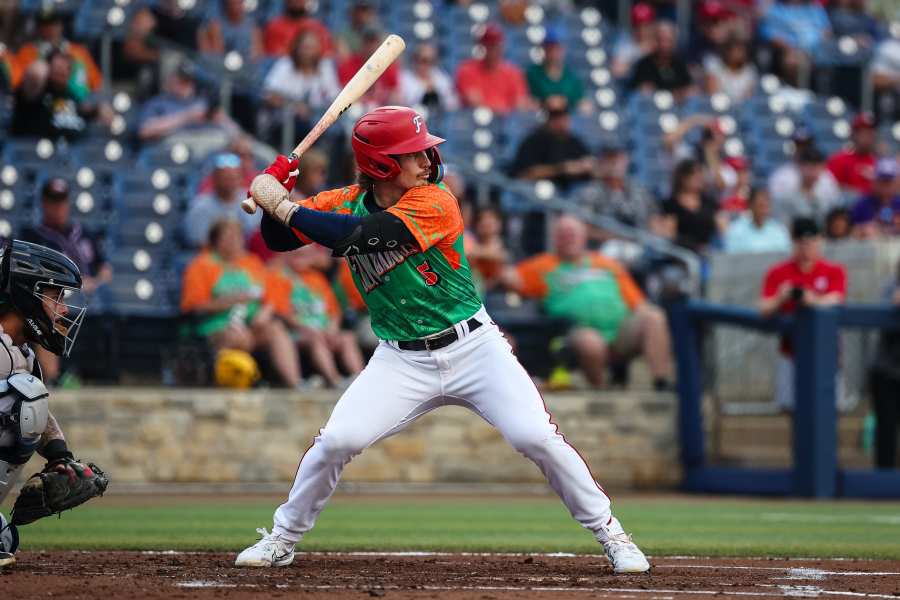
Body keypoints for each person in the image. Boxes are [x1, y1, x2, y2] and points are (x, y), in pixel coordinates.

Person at [235, 105, 650, 573]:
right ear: (381, 165)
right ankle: (282, 538)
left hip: (474, 347)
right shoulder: (343, 199)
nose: (426, 159)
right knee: (336, 441)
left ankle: (613, 535)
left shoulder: (436, 200)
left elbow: (359, 236)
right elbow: (280, 240)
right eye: (412, 153)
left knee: (536, 436)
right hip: (400, 359)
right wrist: (277, 186)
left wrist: (281, 203)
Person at [0, 239, 106, 567]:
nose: (62, 309)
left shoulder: (21, 353)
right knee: (22, 398)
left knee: (6, 537)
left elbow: (40, 412)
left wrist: (61, 456)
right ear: (25, 293)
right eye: (55, 296)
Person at [503, 216, 673, 390]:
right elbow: (507, 277)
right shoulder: (542, 265)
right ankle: (601, 388)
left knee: (654, 317)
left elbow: (638, 303)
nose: (569, 238)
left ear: (584, 237)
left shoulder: (607, 263)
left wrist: (647, 314)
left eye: (573, 233)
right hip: (577, 330)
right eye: (563, 234)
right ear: (555, 238)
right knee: (590, 342)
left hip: (620, 328)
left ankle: (661, 382)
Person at [180, 219, 301, 388]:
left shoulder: (251, 263)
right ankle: (244, 381)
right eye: (228, 237)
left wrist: (264, 313)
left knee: (276, 329)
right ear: (216, 241)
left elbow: (272, 294)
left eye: (237, 236)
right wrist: (232, 300)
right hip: (216, 327)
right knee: (237, 336)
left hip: (252, 326)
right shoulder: (201, 265)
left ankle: (295, 384)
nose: (234, 241)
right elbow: (194, 305)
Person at [19, 178, 113, 383]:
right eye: (53, 201)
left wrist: (94, 283)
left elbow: (105, 269)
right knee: (44, 315)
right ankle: (56, 377)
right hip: (56, 299)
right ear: (44, 203)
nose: (58, 207)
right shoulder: (33, 236)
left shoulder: (85, 233)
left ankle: (103, 375)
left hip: (90, 298)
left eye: (61, 201)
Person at [759, 218, 847, 412]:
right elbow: (763, 308)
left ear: (819, 240)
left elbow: (837, 298)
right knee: (791, 410)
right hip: (791, 352)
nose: (806, 247)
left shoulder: (833, 270)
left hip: (825, 352)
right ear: (794, 242)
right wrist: (781, 298)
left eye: (811, 241)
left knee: (830, 409)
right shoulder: (778, 272)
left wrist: (812, 300)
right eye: (801, 242)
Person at [269, 246, 364, 387]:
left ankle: (361, 381)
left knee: (347, 338)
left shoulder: (316, 277)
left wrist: (332, 329)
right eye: (297, 254)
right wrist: (306, 328)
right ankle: (335, 380)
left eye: (304, 255)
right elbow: (282, 312)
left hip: (323, 329)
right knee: (316, 339)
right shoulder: (279, 277)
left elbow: (334, 312)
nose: (300, 258)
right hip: (298, 332)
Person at [262, 30, 341, 144]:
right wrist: (294, 106)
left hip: (318, 119)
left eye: (311, 48)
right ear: (297, 48)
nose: (307, 52)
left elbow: (335, 97)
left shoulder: (324, 67)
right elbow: (269, 95)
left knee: (337, 131)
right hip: (286, 120)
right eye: (305, 47)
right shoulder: (285, 64)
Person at [10, 50, 111, 139]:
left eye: (67, 67)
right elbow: (35, 73)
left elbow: (84, 111)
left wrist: (98, 110)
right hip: (39, 153)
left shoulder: (71, 96)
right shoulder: (35, 93)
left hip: (75, 152)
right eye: (57, 67)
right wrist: (45, 64)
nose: (62, 70)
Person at [13, 7, 102, 99]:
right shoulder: (27, 52)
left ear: (60, 25)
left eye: (53, 24)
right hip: (41, 102)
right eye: (44, 25)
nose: (49, 28)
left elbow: (95, 83)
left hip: (77, 103)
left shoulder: (78, 51)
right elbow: (18, 82)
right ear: (38, 28)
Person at [137, 64, 238, 145]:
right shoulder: (158, 103)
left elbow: (234, 131)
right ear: (171, 80)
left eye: (189, 82)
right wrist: (186, 117)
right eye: (181, 81)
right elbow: (144, 131)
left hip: (208, 143)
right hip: (174, 145)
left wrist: (219, 119)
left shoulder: (203, 102)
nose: (186, 85)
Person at [509, 95, 594, 191]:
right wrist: (561, 169)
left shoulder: (575, 141)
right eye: (555, 117)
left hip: (572, 191)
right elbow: (524, 174)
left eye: (563, 116)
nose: (560, 121)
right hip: (538, 191)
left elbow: (591, 164)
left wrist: (584, 167)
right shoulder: (533, 140)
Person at [572, 141, 656, 229]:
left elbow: (654, 221)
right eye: (609, 158)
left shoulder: (640, 191)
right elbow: (584, 227)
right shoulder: (589, 192)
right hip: (606, 241)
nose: (614, 162)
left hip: (641, 241)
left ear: (626, 160)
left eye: (619, 157)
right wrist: (621, 237)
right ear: (600, 162)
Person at [183, 153, 261, 248]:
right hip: (212, 258)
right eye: (226, 178)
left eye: (234, 178)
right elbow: (199, 244)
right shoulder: (200, 207)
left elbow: (257, 238)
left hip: (247, 258)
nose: (230, 182)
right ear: (215, 179)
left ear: (241, 178)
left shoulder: (252, 201)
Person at [455, 23, 531, 114]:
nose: (493, 49)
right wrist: (501, 109)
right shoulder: (467, 70)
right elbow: (474, 103)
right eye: (489, 45)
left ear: (502, 46)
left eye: (496, 44)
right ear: (482, 47)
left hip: (507, 124)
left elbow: (520, 104)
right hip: (475, 123)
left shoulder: (513, 72)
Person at [870, 261, 900, 469]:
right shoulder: (891, 287)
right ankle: (883, 479)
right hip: (888, 371)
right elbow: (887, 305)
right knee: (887, 428)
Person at [660, 159, 723, 254]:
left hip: (709, 252)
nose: (699, 178)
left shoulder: (709, 202)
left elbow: (722, 228)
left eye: (700, 175)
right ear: (683, 178)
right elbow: (670, 233)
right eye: (694, 175)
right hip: (683, 254)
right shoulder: (671, 204)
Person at [770, 147, 842, 225]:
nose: (813, 171)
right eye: (809, 166)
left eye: (816, 166)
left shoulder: (828, 184)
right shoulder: (786, 182)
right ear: (800, 166)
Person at [627, 21, 695, 99]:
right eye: (661, 40)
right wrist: (675, 93)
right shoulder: (644, 64)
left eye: (669, 40)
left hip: (678, 109)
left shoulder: (680, 63)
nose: (664, 45)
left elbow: (689, 89)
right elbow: (645, 91)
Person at [525, 28, 587, 112]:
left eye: (557, 48)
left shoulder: (572, 76)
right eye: (549, 48)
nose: (553, 52)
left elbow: (583, 105)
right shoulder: (532, 74)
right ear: (544, 49)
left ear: (563, 49)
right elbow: (525, 104)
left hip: (566, 121)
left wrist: (565, 103)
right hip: (540, 120)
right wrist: (545, 103)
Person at [337, 26, 400, 108]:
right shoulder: (348, 64)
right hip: (357, 110)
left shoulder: (389, 66)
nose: (371, 46)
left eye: (374, 42)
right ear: (362, 43)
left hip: (380, 110)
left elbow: (395, 95)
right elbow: (343, 96)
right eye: (368, 42)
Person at [723, 187, 792, 254]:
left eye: (766, 206)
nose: (764, 210)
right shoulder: (736, 230)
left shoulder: (779, 230)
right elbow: (731, 257)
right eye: (760, 205)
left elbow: (785, 255)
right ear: (750, 205)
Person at [826, 112, 879, 196]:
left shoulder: (880, 163)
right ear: (853, 134)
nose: (867, 137)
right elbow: (828, 189)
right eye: (863, 133)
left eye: (870, 132)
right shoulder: (838, 160)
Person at [398, 43, 460, 112]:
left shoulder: (441, 77)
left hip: (439, 118)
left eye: (432, 61)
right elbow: (400, 105)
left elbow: (453, 104)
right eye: (424, 60)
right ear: (414, 59)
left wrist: (436, 93)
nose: (427, 65)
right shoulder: (404, 78)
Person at [198, 0, 263, 63]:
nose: (236, 6)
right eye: (233, 3)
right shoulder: (215, 26)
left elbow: (258, 56)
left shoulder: (253, 26)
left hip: (246, 68)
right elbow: (216, 57)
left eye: (239, 2)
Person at [263, 0, 333, 58]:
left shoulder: (319, 29)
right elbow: (274, 57)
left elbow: (326, 57)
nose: (297, 2)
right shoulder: (274, 27)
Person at [850, 158, 900, 238]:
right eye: (882, 181)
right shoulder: (862, 205)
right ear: (874, 181)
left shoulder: (898, 203)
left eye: (889, 181)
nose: (885, 185)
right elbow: (850, 232)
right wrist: (862, 230)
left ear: (897, 182)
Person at [466, 206, 509, 290]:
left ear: (499, 223)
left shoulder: (509, 246)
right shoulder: (470, 241)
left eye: (490, 218)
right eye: (481, 219)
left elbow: (502, 256)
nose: (485, 222)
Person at [703, 36, 757, 103]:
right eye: (736, 50)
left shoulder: (750, 70)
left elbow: (749, 94)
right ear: (727, 51)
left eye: (741, 50)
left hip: (741, 108)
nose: (740, 54)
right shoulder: (714, 66)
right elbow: (712, 92)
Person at [611, 3, 657, 79]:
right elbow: (617, 71)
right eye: (638, 26)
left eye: (646, 26)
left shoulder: (660, 39)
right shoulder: (624, 41)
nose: (642, 30)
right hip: (631, 86)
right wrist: (639, 53)